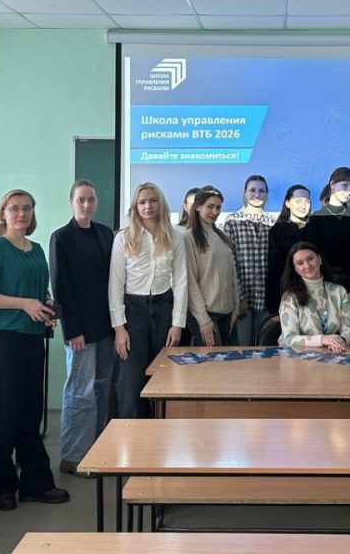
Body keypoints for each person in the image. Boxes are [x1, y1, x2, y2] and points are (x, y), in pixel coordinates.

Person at [0, 189, 69, 511]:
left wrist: (45, 304)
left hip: (32, 337)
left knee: (31, 411)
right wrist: (25, 304)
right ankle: (2, 485)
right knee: (7, 411)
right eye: (14, 208)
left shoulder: (36, 250)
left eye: (27, 208)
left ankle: (35, 483)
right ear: (3, 214)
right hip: (3, 338)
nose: (21, 214)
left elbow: (38, 292)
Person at [48, 180, 115, 478]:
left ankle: (95, 452)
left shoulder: (105, 233)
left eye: (91, 199)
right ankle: (73, 456)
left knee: (101, 391)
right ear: (71, 202)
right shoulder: (61, 237)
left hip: (106, 325)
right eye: (80, 200)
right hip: (80, 330)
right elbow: (60, 286)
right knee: (80, 392)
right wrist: (72, 330)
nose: (86, 205)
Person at [109, 182, 187, 418]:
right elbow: (115, 284)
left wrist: (177, 324)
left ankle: (160, 433)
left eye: (152, 201)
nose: (148, 206)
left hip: (164, 309)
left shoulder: (175, 237)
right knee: (131, 382)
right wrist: (119, 328)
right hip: (133, 312)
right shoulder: (123, 238)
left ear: (160, 204)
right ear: (135, 207)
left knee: (164, 377)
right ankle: (132, 434)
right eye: (142, 202)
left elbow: (181, 281)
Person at [303, 167, 350, 343]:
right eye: (344, 185)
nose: (349, 191)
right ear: (332, 184)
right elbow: (312, 259)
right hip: (324, 293)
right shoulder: (316, 218)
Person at [184, 187, 241, 346]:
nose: (215, 212)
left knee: (231, 360)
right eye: (210, 206)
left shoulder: (223, 237)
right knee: (212, 361)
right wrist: (203, 319)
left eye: (218, 207)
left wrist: (235, 309)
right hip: (206, 315)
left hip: (227, 313)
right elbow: (190, 282)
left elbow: (232, 276)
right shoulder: (188, 238)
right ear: (197, 207)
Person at [224, 175, 275, 346]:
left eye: (261, 191)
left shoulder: (273, 223)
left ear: (266, 194)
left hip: (266, 299)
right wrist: (239, 297)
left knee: (264, 346)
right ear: (245, 193)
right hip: (241, 299)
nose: (257, 194)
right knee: (242, 347)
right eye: (252, 190)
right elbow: (230, 262)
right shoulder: (232, 221)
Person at [278, 242, 350, 351]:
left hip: (332, 353)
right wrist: (322, 339)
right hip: (295, 356)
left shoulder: (339, 291)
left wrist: (341, 340)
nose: (307, 265)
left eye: (310, 259)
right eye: (300, 263)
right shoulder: (290, 297)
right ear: (296, 269)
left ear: (319, 259)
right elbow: (289, 338)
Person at [265, 184, 311, 315]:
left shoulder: (315, 228)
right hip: (288, 300)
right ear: (288, 203)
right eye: (298, 201)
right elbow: (274, 270)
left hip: (315, 298)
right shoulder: (278, 231)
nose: (303, 206)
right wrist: (274, 308)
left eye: (307, 201)